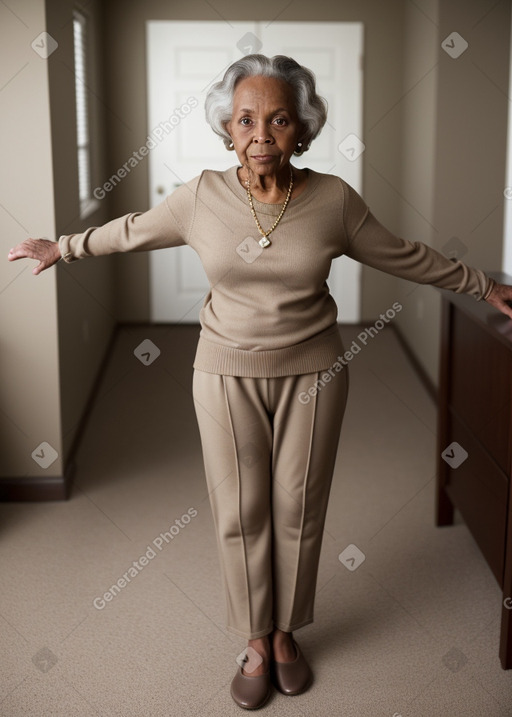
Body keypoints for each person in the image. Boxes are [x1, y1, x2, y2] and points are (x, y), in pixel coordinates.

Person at [7, 54, 512, 711]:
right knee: (240, 512)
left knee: (298, 509)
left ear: (302, 130)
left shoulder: (333, 200)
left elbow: (403, 253)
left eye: (278, 118)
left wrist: (484, 285)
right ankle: (251, 635)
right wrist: (63, 247)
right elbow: (131, 231)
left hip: (314, 373)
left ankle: (283, 633)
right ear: (226, 128)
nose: (261, 132)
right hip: (222, 375)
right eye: (246, 119)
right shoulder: (199, 198)